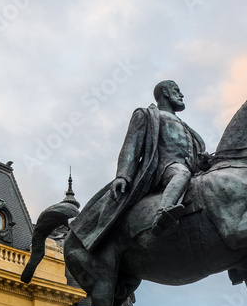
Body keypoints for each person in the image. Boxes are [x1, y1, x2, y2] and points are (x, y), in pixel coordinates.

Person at [69, 80, 207, 251]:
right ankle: (163, 213)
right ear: (165, 93)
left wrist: (203, 163)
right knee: (181, 174)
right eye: (176, 90)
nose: (181, 95)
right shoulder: (147, 115)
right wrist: (123, 176)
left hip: (192, 171)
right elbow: (131, 146)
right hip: (165, 167)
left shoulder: (187, 128)